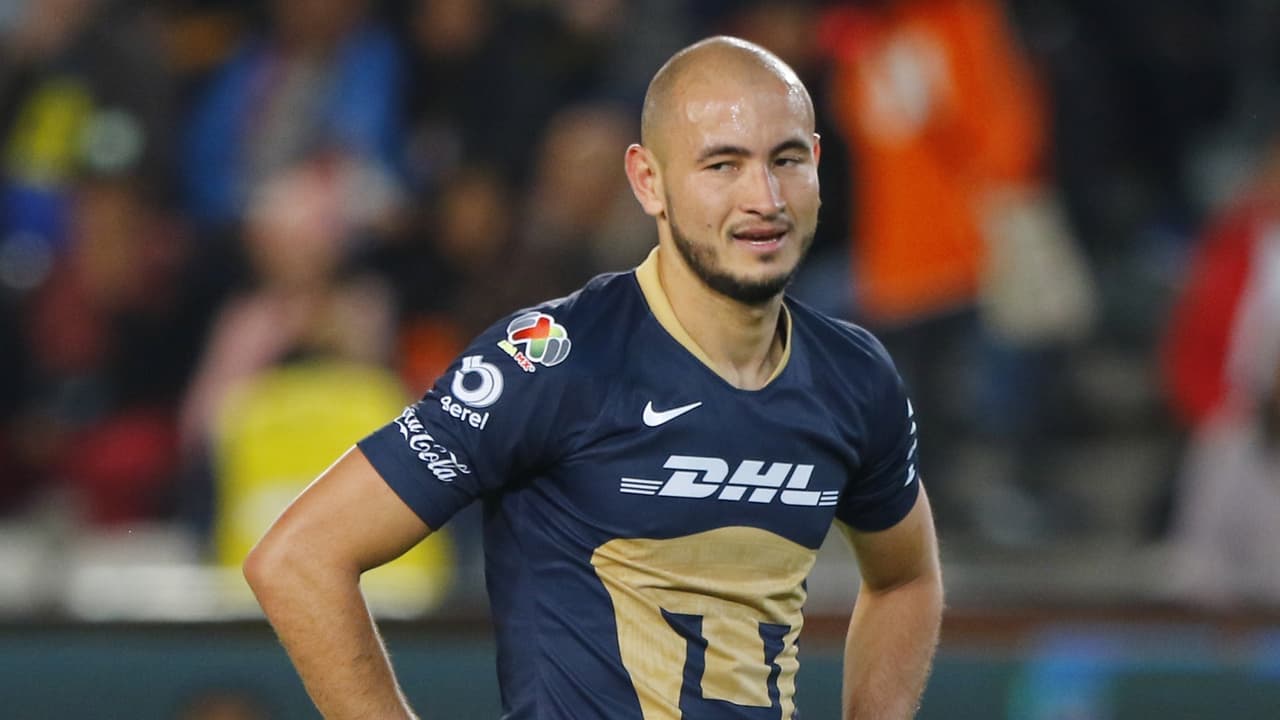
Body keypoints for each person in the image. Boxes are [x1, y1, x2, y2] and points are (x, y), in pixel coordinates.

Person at [244, 36, 943, 719]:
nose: (764, 197)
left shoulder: (855, 378)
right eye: (722, 165)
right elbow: (299, 559)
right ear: (648, 181)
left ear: (817, 163)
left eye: (785, 160)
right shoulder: (551, 360)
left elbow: (906, 579)